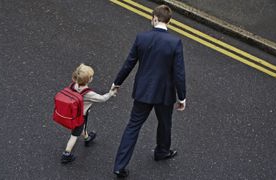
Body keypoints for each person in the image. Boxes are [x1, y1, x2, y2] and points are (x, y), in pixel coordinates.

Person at [111, 5, 187, 178]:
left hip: (143, 92)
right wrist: (181, 97)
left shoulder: (142, 38)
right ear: (169, 21)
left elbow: (129, 63)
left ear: (154, 18)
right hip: (164, 94)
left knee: (133, 126)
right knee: (165, 123)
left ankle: (119, 166)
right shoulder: (174, 42)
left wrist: (117, 82)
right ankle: (161, 152)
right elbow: (179, 73)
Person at [61, 63, 117, 164]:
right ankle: (66, 154)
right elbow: (102, 99)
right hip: (80, 116)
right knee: (74, 135)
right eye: (91, 76)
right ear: (88, 80)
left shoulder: (74, 85)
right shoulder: (88, 93)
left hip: (73, 113)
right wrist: (111, 93)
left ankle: (87, 138)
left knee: (83, 127)